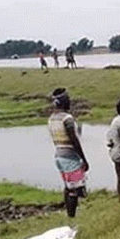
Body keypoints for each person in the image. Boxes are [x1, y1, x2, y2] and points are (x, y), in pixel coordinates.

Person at [48, 88, 89, 217]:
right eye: (68, 99)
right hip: (70, 157)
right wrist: (84, 159)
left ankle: (69, 215)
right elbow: (74, 140)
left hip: (59, 156)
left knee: (68, 186)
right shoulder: (67, 119)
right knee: (75, 189)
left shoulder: (52, 119)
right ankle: (72, 216)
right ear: (64, 102)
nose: (70, 101)